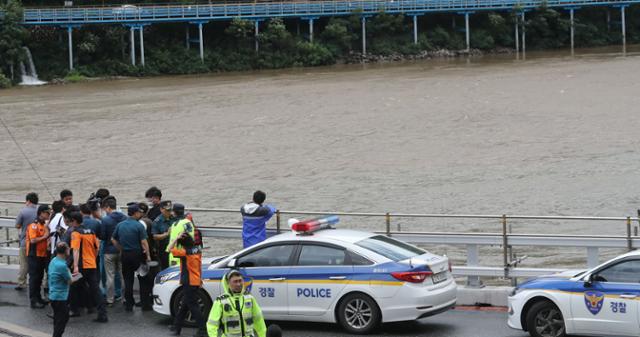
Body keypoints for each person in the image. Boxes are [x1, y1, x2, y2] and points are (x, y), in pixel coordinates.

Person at [111, 203, 152, 311]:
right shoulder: (139, 225)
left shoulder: (120, 225)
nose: (141, 214)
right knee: (143, 278)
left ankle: (129, 304)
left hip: (125, 255)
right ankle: (145, 304)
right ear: (135, 213)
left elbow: (113, 239)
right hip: (138, 255)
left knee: (128, 279)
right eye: (139, 212)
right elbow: (144, 242)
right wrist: (148, 256)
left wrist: (120, 249)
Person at [69, 211, 108, 323]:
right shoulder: (91, 232)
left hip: (81, 265)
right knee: (95, 289)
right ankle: (101, 313)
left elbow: (75, 250)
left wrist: (75, 266)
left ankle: (74, 310)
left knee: (74, 286)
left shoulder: (75, 233)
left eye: (70, 221)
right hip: (92, 264)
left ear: (74, 221)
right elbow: (97, 247)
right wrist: (93, 258)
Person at [207, 270, 267, 337]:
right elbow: (212, 325)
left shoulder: (250, 298)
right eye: (235, 281)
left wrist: (263, 335)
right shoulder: (221, 301)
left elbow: (259, 320)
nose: (238, 284)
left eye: (240, 280)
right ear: (228, 283)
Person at [167, 233, 205, 336]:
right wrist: (200, 280)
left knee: (193, 307)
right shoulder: (197, 250)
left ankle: (203, 330)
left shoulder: (184, 252)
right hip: (195, 280)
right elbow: (199, 266)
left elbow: (169, 249)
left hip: (188, 281)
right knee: (184, 305)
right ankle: (177, 326)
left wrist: (175, 238)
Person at [99, 197, 125, 305]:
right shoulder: (124, 217)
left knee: (110, 276)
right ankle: (125, 298)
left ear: (108, 207)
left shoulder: (106, 220)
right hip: (122, 250)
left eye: (105, 209)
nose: (105, 211)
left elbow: (103, 236)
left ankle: (110, 299)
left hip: (109, 251)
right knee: (123, 275)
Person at [26, 204, 51, 308]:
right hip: (34, 255)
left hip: (42, 255)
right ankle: (33, 300)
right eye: (47, 213)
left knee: (40, 277)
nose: (49, 215)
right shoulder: (34, 225)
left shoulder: (44, 225)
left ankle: (38, 297)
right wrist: (45, 237)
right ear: (41, 213)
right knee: (34, 278)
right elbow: (33, 240)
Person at [15, 192, 38, 291]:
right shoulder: (40, 211)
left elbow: (17, 225)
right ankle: (38, 282)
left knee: (24, 263)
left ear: (28, 201)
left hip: (25, 242)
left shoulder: (23, 211)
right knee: (38, 264)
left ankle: (21, 283)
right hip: (38, 242)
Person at [48, 242, 72, 337]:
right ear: (65, 251)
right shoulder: (62, 265)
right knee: (62, 320)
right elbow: (70, 281)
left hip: (53, 295)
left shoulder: (53, 260)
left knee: (57, 319)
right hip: (60, 296)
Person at [152, 200, 174, 270]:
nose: (169, 212)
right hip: (164, 250)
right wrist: (166, 234)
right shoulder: (157, 222)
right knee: (165, 269)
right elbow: (155, 236)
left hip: (175, 249)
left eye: (170, 210)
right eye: (167, 210)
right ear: (161, 209)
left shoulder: (174, 218)